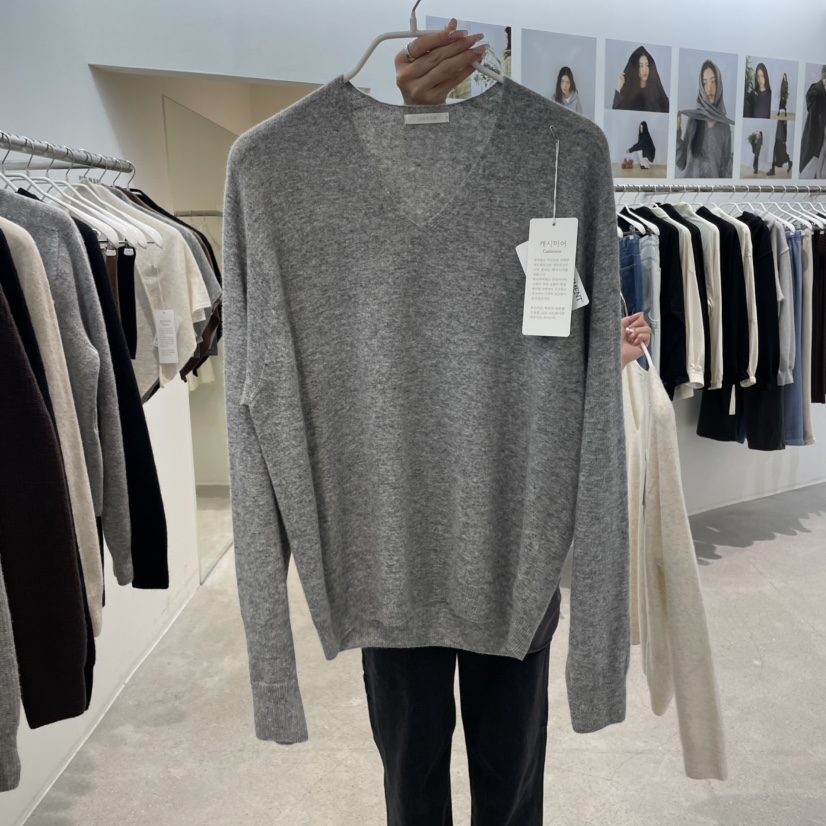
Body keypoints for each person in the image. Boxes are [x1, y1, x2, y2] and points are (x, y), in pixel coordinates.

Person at [676, 60, 734, 178]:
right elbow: (681, 163)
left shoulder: (725, 127)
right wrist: (677, 130)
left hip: (713, 189)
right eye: (705, 83)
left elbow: (725, 172)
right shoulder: (693, 121)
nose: (709, 88)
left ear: (719, 85)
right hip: (690, 188)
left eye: (713, 82)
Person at [613, 45, 670, 112]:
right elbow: (615, 112)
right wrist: (618, 88)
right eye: (641, 66)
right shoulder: (629, 94)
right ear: (635, 68)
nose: (644, 70)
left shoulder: (657, 94)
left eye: (647, 65)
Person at [800, 66, 826, 178]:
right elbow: (810, 102)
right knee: (817, 156)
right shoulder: (815, 88)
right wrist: (822, 86)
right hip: (818, 130)